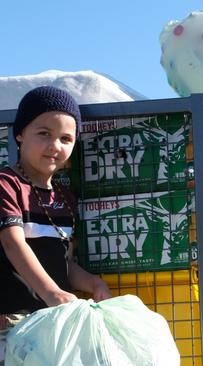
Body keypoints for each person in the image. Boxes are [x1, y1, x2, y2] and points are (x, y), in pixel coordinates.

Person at [0, 86, 111, 363]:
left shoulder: (64, 198)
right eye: (43, 134)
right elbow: (13, 243)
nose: (55, 146)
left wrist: (92, 282)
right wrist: (54, 294)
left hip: (52, 327)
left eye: (65, 138)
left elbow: (64, 263)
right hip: (11, 325)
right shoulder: (6, 184)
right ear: (20, 134)